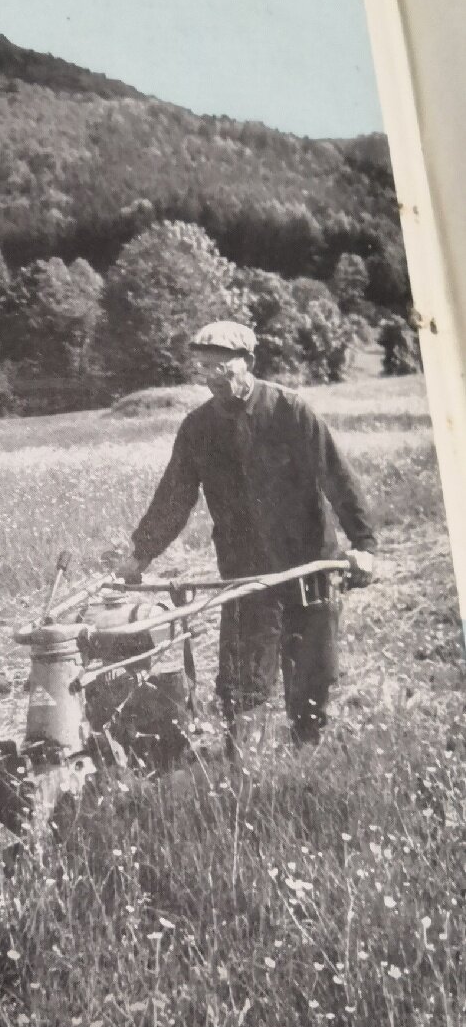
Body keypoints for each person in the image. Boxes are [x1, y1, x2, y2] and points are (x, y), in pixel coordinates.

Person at [116, 320, 376, 747]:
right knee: (242, 679)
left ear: (249, 362)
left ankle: (306, 753)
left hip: (306, 561)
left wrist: (363, 544)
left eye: (221, 366)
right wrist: (141, 554)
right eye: (203, 367)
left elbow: (337, 478)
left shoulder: (290, 411)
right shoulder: (197, 428)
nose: (211, 377)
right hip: (244, 570)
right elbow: (174, 497)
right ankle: (243, 764)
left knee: (311, 673)